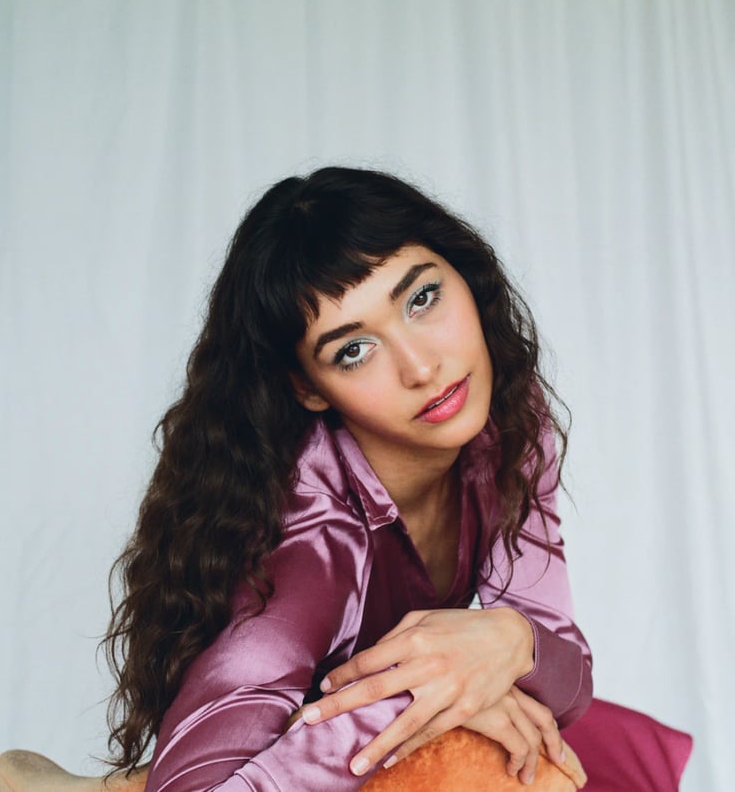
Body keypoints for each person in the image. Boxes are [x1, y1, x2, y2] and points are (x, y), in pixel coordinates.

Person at [103, 166, 593, 791]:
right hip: (310, 764)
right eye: (353, 351)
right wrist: (424, 694)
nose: (422, 367)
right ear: (308, 387)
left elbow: (567, 677)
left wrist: (514, 640)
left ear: (465, 274)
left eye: (422, 298)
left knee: (595, 747)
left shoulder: (505, 419)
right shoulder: (309, 541)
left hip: (351, 750)